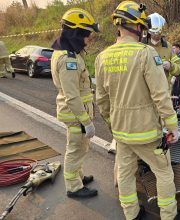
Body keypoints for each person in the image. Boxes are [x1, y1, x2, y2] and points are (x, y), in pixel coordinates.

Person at [95, 1, 180, 219]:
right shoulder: (146, 54)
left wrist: (112, 124)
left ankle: (132, 214)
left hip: (121, 133)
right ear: (137, 26)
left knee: (125, 173)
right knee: (163, 172)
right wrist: (172, 126)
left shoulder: (102, 57)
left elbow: (102, 101)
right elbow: (161, 95)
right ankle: (169, 215)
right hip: (147, 133)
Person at [51, 8, 99, 198]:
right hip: (75, 114)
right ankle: (73, 186)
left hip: (76, 113)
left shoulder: (69, 52)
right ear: (77, 33)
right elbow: (72, 96)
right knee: (75, 149)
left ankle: (77, 176)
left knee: (80, 147)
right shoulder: (67, 59)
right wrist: (86, 121)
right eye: (88, 35)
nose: (90, 39)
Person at [143, 13, 180, 88]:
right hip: (145, 92)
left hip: (163, 91)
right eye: (154, 33)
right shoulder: (142, 46)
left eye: (159, 32)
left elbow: (179, 68)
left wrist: (171, 66)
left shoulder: (168, 46)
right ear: (149, 32)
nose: (157, 34)